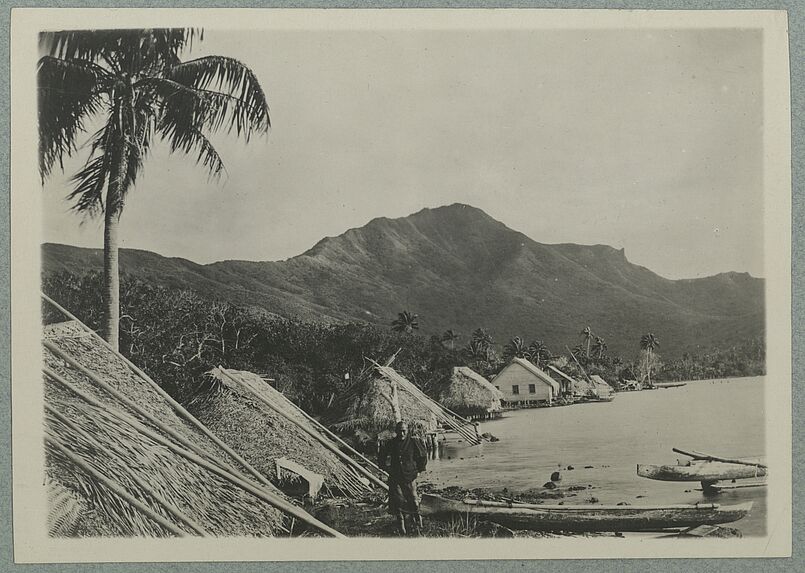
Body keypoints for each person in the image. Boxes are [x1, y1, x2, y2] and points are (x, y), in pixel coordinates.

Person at [378, 420, 428, 535]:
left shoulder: (413, 441)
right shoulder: (391, 443)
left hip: (410, 475)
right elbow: (382, 456)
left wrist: (419, 470)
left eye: (404, 431)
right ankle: (401, 526)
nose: (401, 434)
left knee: (413, 499)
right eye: (399, 431)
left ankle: (418, 522)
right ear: (396, 431)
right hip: (395, 476)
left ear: (408, 431)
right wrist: (385, 468)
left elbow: (423, 455)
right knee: (398, 501)